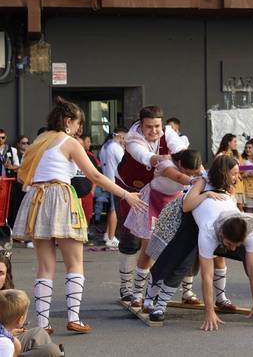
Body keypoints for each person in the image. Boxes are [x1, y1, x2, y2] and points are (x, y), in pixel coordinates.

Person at [12, 97, 147, 334]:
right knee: (75, 262)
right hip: (61, 197)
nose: (78, 130)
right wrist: (126, 194)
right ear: (67, 121)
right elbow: (95, 176)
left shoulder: (39, 140)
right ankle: (74, 317)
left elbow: (24, 176)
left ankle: (43, 323)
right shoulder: (70, 142)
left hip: (37, 199)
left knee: (45, 265)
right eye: (77, 125)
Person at [145, 155, 253, 326]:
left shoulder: (246, 227)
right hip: (191, 219)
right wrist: (209, 312)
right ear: (223, 173)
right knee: (180, 259)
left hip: (229, 220)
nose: (237, 177)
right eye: (234, 173)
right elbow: (206, 276)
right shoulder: (203, 182)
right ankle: (158, 302)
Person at [116, 105, 187, 304]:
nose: (154, 131)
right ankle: (125, 286)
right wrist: (163, 159)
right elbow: (145, 157)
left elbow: (182, 151)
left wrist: (187, 162)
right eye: (149, 127)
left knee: (152, 242)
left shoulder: (168, 133)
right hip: (127, 188)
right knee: (131, 239)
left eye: (157, 126)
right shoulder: (132, 139)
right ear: (141, 125)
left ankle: (142, 291)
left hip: (155, 191)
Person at [123, 149, 203, 307]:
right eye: (189, 172)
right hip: (152, 203)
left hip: (172, 207)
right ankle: (137, 294)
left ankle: (186, 291)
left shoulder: (195, 168)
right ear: (179, 163)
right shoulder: (166, 165)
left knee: (181, 249)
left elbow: (198, 176)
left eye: (194, 172)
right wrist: (197, 180)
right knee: (149, 251)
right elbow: (179, 177)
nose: (192, 175)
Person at [1, 255, 61, 357]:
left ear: (6, 276)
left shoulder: (7, 294)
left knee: (38, 333)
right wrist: (7, 333)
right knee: (51, 351)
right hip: (4, 342)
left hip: (7, 340)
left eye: (0, 273)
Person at [98, 127, 127, 248]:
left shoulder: (104, 147)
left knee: (112, 209)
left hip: (107, 181)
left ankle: (107, 234)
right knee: (114, 210)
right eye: (124, 138)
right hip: (115, 182)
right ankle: (111, 238)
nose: (125, 141)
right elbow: (124, 163)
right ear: (120, 136)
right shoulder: (115, 147)